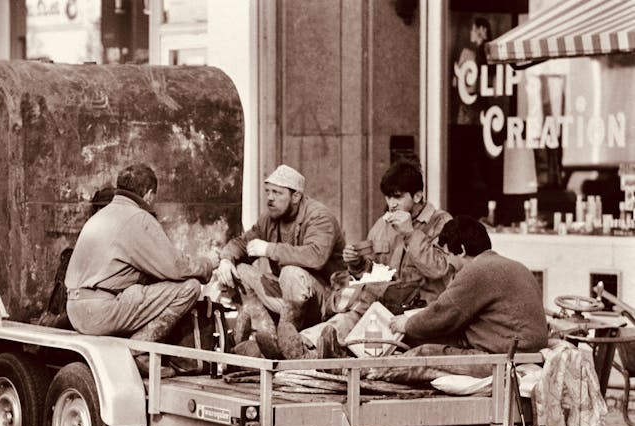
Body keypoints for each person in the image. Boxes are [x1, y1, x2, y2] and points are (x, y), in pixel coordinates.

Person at [283, 155, 453, 360]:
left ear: (417, 196)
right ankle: (300, 344)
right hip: (380, 305)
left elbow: (439, 269)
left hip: (418, 312)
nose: (391, 204)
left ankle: (311, 355)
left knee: (363, 331)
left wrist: (410, 234)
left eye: (397, 197)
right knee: (347, 319)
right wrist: (357, 264)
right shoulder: (383, 225)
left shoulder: (442, 223)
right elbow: (375, 271)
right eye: (388, 197)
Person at [379, 216, 548, 381]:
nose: (448, 262)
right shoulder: (514, 266)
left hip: (504, 358)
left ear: (461, 250)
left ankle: (368, 372)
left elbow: (441, 314)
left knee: (424, 353)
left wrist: (406, 324)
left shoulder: (477, 270)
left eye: (446, 254)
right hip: (528, 353)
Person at [65, 163, 216, 344]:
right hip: (100, 312)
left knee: (138, 289)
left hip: (74, 309)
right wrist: (208, 264)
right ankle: (139, 350)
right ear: (149, 194)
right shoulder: (138, 218)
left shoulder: (100, 215)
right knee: (190, 287)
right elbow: (176, 267)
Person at [215, 164, 346, 358]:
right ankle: (264, 334)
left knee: (291, 272)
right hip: (289, 298)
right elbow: (242, 243)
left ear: (295, 197)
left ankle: (287, 342)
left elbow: (315, 256)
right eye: (268, 191)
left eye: (277, 192)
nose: (270, 198)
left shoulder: (319, 216)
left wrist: (269, 249)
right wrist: (226, 260)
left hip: (323, 300)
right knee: (241, 270)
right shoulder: (270, 218)